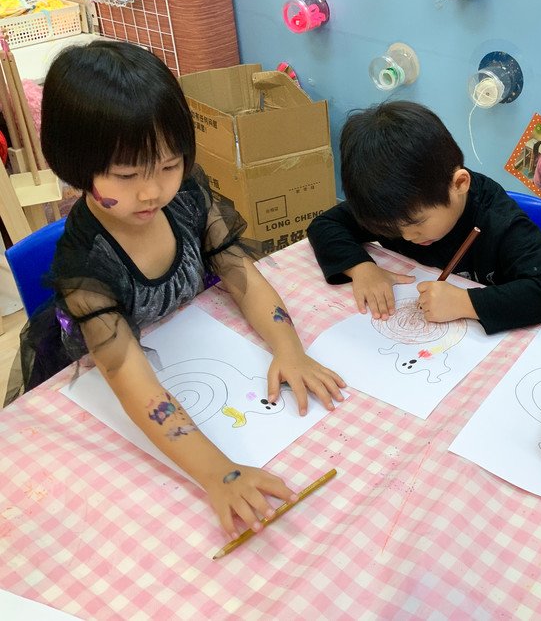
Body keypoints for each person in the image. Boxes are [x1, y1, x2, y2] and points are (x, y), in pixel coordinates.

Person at [10, 40, 346, 538]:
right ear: (75, 165)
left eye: (168, 165)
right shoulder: (86, 267)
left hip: (193, 334)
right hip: (102, 372)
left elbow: (240, 273)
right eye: (127, 175)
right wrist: (219, 473)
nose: (153, 191)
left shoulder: (185, 194)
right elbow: (132, 382)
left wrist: (288, 348)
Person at [307, 101, 541, 334]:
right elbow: (325, 224)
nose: (406, 236)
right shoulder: (396, 207)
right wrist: (361, 268)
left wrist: (465, 303)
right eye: (391, 228)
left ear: (459, 184)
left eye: (416, 223)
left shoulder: (499, 220)